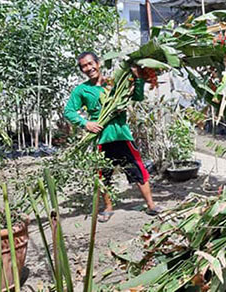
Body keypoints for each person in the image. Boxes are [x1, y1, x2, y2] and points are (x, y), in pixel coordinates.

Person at [64, 52, 162, 223]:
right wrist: (85, 123)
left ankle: (151, 205)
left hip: (121, 134)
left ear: (98, 63)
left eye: (90, 64)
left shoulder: (114, 83)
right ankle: (108, 208)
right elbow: (69, 111)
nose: (88, 68)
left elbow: (137, 97)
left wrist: (138, 78)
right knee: (103, 175)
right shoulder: (82, 90)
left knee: (138, 169)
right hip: (101, 137)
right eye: (84, 66)